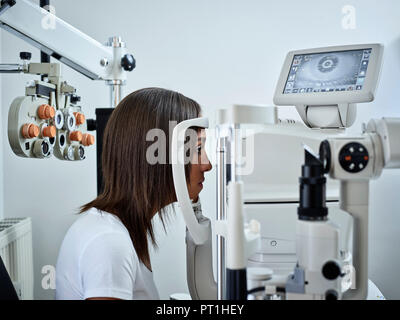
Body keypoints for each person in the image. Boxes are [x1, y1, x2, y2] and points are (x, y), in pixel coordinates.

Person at [55, 87, 212, 300]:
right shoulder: (109, 244)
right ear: (159, 159)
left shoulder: (118, 230)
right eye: (198, 149)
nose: (207, 165)